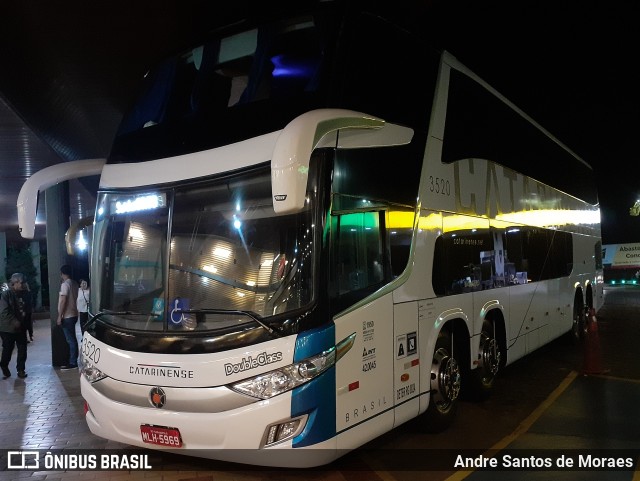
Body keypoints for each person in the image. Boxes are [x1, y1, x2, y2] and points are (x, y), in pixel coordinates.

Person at [0, 273, 28, 379]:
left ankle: (21, 369)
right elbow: (4, 311)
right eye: (21, 283)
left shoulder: (22, 294)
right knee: (8, 348)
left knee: (22, 348)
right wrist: (14, 321)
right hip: (7, 328)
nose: (23, 285)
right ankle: (4, 364)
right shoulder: (6, 294)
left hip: (20, 327)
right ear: (14, 283)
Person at [57, 265, 79, 369]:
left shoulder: (65, 285)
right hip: (74, 314)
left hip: (67, 315)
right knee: (72, 338)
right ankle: (73, 360)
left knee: (70, 340)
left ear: (62, 273)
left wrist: (59, 316)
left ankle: (73, 362)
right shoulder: (74, 283)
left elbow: (63, 301)